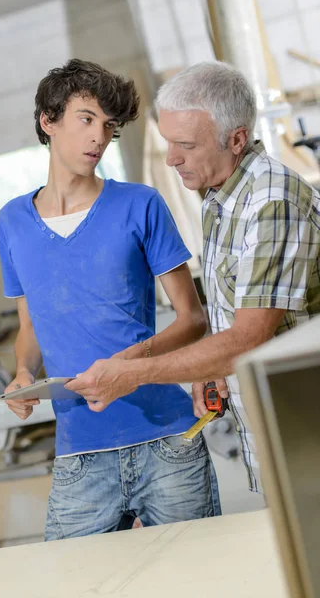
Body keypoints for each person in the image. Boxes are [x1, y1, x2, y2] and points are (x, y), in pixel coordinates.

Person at [67, 61, 320, 494]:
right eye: (168, 142)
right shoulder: (219, 198)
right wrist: (213, 366)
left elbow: (247, 340)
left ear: (236, 139)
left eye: (185, 144)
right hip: (272, 435)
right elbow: (234, 320)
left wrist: (135, 373)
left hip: (308, 433)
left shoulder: (271, 202)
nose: (170, 159)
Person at [0, 59, 221, 541]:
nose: (98, 137)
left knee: (199, 579)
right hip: (79, 454)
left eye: (108, 126)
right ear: (48, 121)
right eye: (85, 119)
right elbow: (30, 325)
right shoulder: (12, 222)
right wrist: (23, 373)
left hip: (168, 442)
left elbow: (192, 320)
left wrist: (130, 365)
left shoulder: (140, 204)